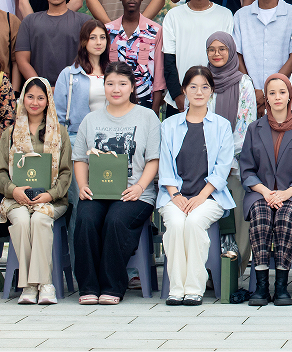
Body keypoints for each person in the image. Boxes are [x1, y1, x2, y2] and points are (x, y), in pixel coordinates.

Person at [71, 61, 161, 305]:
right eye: (110, 84)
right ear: (104, 87)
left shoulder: (147, 117)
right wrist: (82, 185)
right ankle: (88, 287)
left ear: (132, 87)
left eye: (122, 83)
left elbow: (153, 159)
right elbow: (80, 159)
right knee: (86, 219)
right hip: (98, 190)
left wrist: (139, 187)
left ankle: (112, 287)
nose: (116, 89)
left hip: (135, 193)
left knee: (115, 220)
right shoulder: (91, 120)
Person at [156, 65, 236, 306]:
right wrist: (175, 195)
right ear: (184, 90)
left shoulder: (222, 126)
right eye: (193, 87)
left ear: (212, 91)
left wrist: (201, 197)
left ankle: (193, 288)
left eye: (204, 87)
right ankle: (176, 289)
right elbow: (165, 165)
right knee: (176, 224)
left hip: (210, 197)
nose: (199, 92)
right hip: (174, 196)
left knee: (193, 222)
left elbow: (222, 168)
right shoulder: (169, 125)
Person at [0, 77, 72, 304]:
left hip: (51, 200)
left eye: (40, 97)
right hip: (16, 199)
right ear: (23, 99)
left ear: (48, 101)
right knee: (20, 221)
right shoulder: (10, 134)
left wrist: (50, 194)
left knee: (39, 219)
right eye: (30, 97)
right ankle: (31, 286)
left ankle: (43, 284)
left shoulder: (60, 133)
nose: (34, 102)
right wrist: (13, 190)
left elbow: (66, 173)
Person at [240, 73, 292, 307]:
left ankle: (282, 286)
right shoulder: (254, 128)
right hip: (260, 193)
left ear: (290, 95)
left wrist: (287, 193)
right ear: (266, 97)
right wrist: (265, 192)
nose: (277, 97)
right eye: (272, 93)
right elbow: (246, 168)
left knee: (284, 217)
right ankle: (262, 286)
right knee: (261, 215)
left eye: (282, 92)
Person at [204, 32, 257, 268]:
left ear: (232, 51)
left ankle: (233, 272)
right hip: (204, 164)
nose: (216, 54)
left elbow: (246, 127)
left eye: (222, 49)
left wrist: (223, 163)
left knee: (238, 219)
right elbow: (194, 123)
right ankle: (208, 272)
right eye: (211, 49)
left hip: (235, 165)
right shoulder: (201, 80)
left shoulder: (244, 83)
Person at [162, 0, 234, 110]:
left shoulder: (225, 15)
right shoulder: (173, 16)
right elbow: (168, 60)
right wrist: (177, 95)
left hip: (214, 98)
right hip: (178, 99)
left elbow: (226, 60)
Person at [233, 0, 292, 108]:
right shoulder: (241, 16)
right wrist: (251, 89)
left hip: (282, 94)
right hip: (249, 94)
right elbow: (237, 55)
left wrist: (270, 90)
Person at [13, 0, 84, 86]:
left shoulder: (84, 21)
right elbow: (22, 60)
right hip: (38, 91)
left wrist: (66, 87)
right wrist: (42, 87)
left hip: (75, 88)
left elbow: (89, 58)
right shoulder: (29, 21)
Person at [105, 0, 165, 111]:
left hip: (144, 102)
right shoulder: (108, 31)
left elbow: (159, 72)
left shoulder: (155, 31)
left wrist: (155, 108)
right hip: (113, 100)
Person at [55, 20, 111, 141]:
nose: (98, 42)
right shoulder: (69, 74)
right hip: (76, 137)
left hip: (108, 136)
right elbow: (58, 114)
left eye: (102, 37)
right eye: (92, 37)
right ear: (84, 41)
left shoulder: (113, 73)